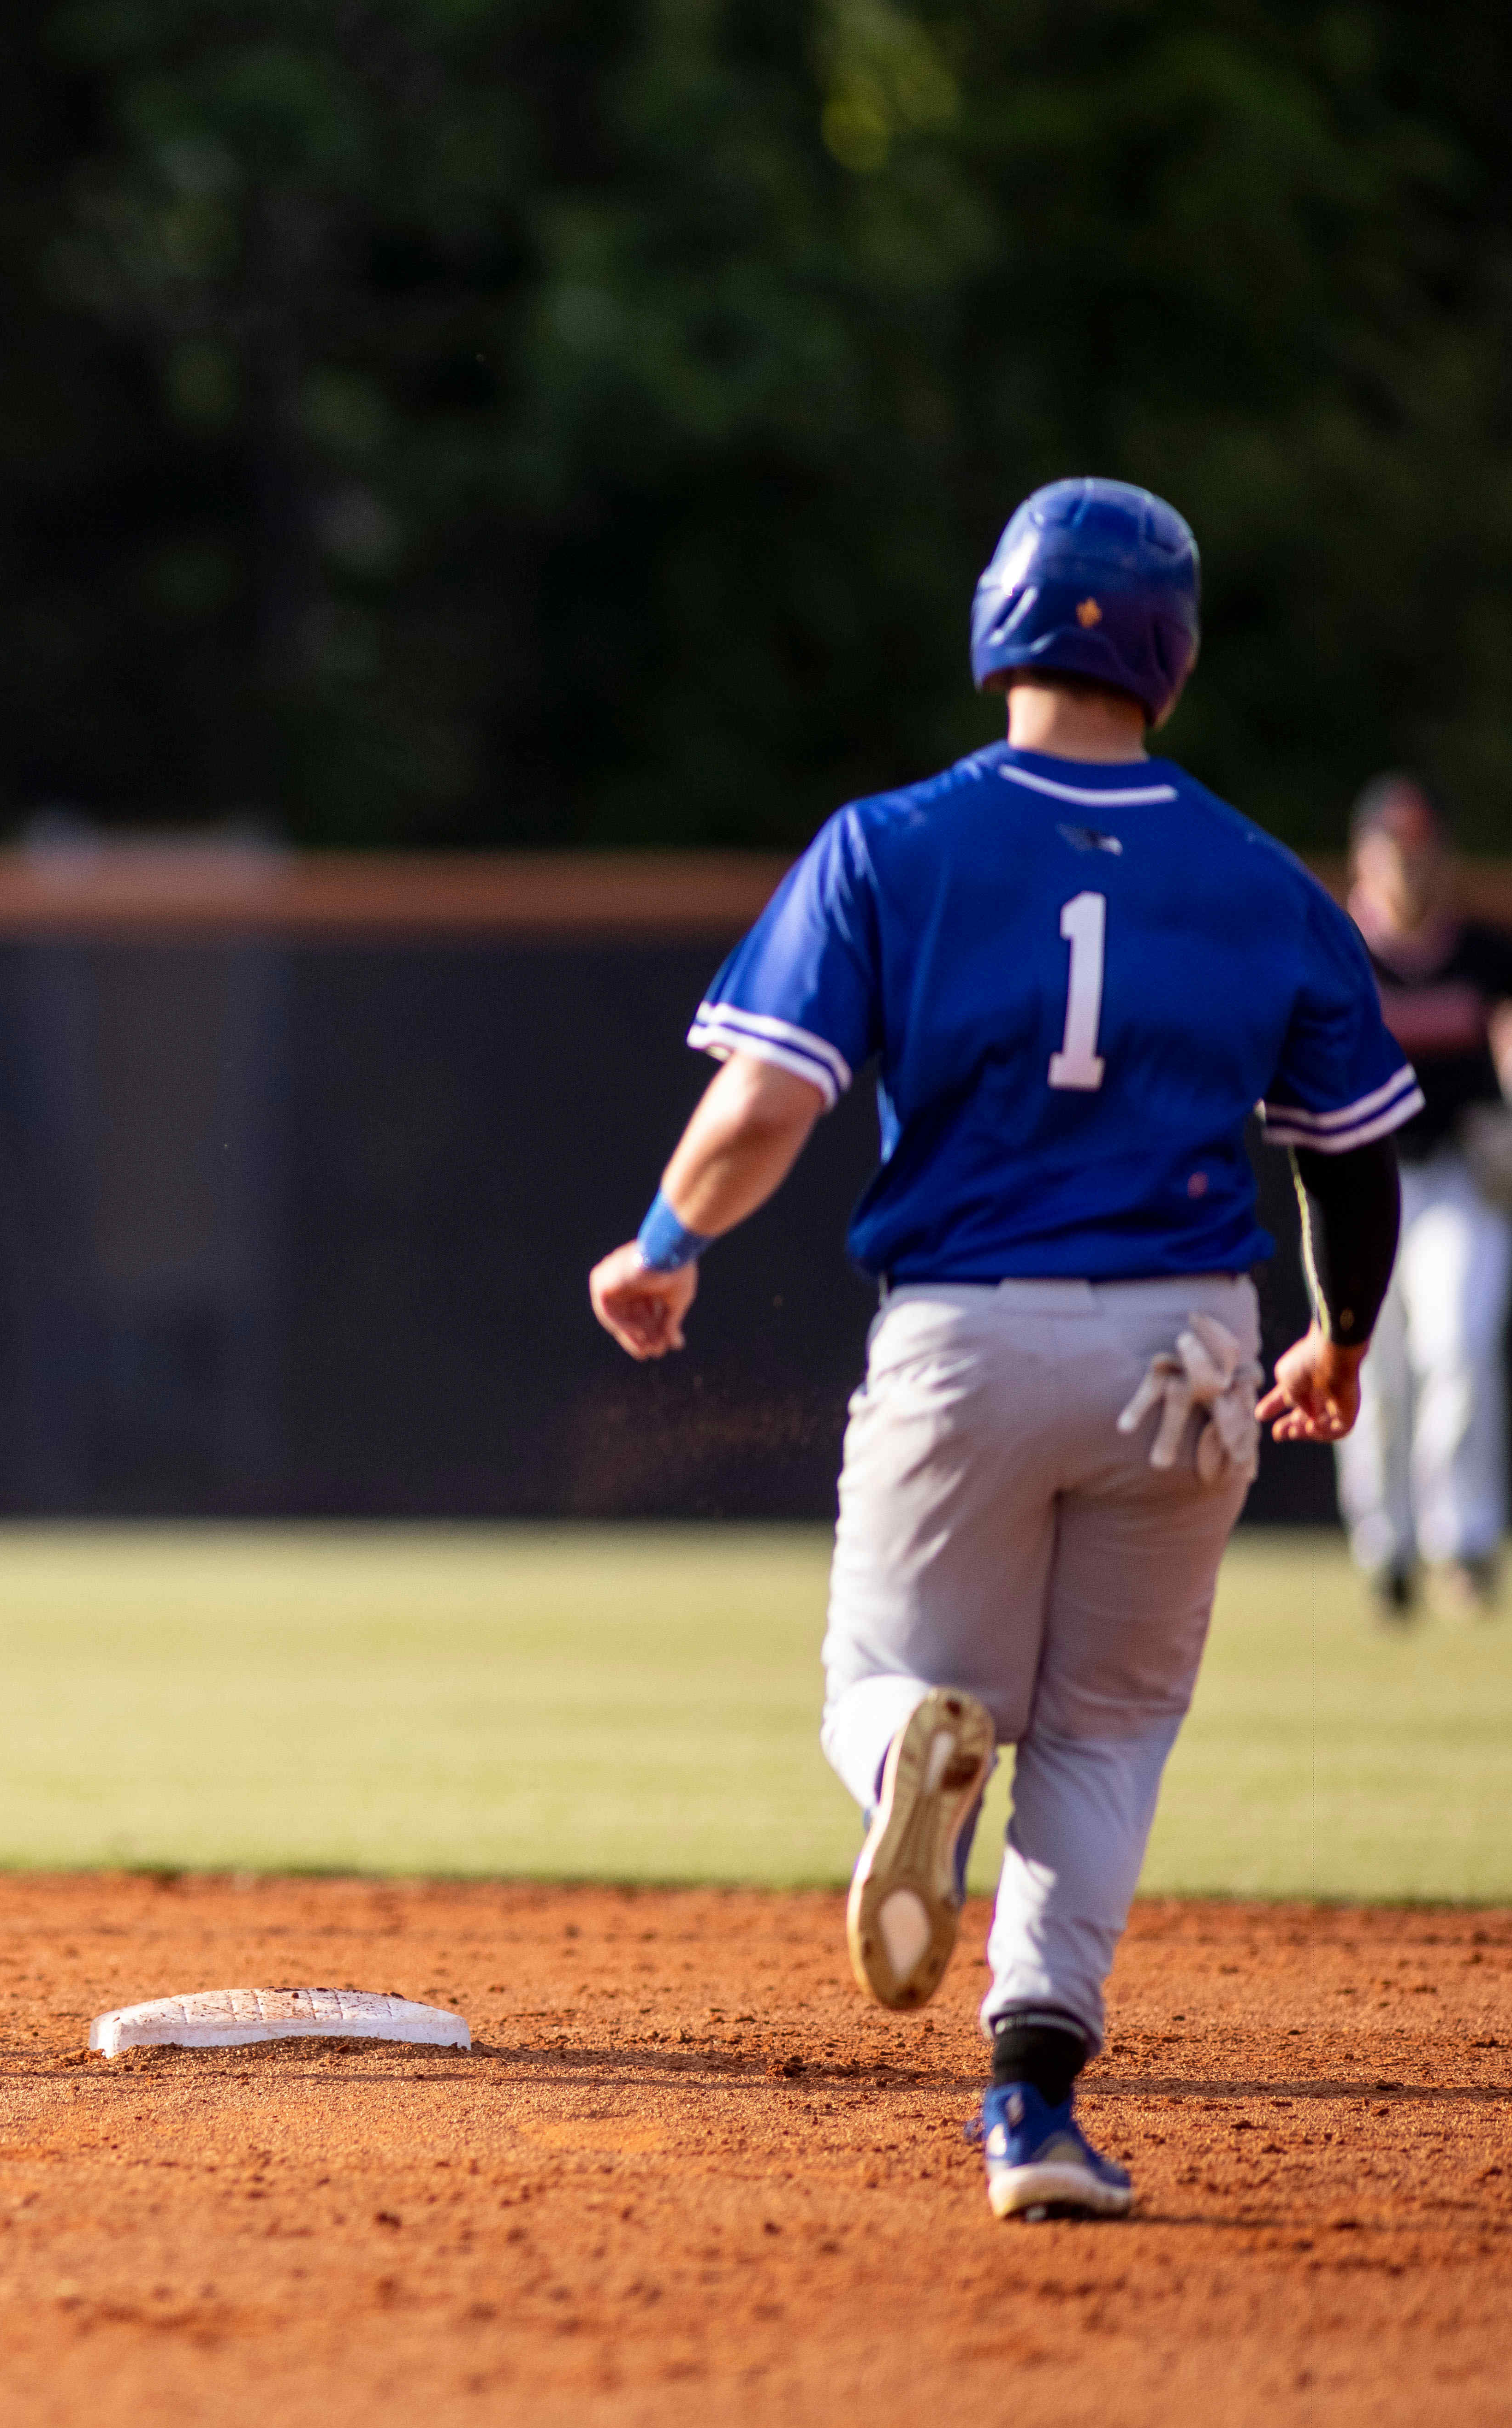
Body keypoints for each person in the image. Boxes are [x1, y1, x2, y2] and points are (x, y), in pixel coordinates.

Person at [587, 478, 1412, 2222]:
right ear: (1168, 654)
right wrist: (1338, 1334)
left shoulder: (893, 843)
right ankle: (1030, 2112)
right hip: (1190, 1342)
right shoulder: (1258, 876)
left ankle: (908, 1759)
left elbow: (766, 1100)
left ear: (999, 620)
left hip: (968, 1330)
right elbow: (1348, 1151)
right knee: (1107, 1735)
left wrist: (664, 1242)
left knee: (872, 1682)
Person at [1334, 773, 1512, 1620]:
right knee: (1370, 1369)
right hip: (1361, 1182)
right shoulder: (1339, 948)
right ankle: (1387, 1551)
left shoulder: (1480, 949)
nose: (1407, 868)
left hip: (1458, 1177)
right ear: (1364, 858)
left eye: (1421, 850)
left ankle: (1464, 1543)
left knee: (1459, 1349)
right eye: (1391, 850)